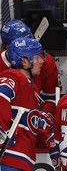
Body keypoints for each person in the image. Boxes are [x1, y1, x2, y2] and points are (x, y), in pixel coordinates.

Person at [0, 38, 54, 170]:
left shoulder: (31, 87)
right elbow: (1, 95)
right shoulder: (13, 76)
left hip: (23, 160)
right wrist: (2, 130)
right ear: (24, 61)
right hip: (9, 158)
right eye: (36, 57)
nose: (41, 61)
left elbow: (30, 121)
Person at [0, 19, 61, 115]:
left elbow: (51, 97)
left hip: (35, 117)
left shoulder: (45, 61)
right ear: (8, 47)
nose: (41, 61)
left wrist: (43, 116)